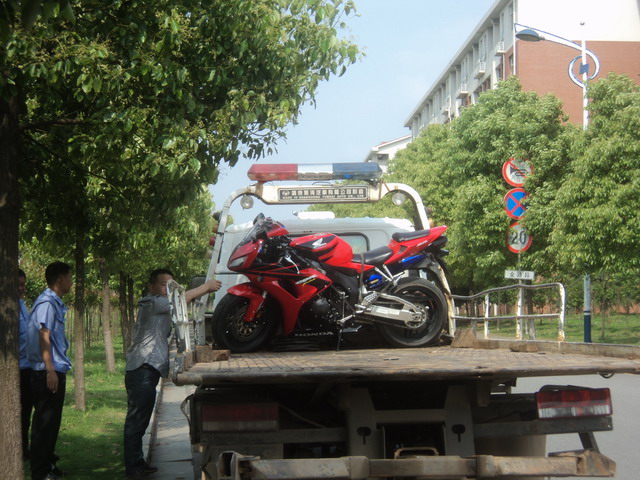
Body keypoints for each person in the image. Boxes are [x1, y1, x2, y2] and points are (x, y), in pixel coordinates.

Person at [123, 269, 221, 477]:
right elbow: (181, 299)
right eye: (163, 285)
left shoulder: (161, 304)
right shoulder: (151, 303)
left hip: (148, 369)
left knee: (141, 420)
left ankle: (137, 462)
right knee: (136, 419)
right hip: (142, 368)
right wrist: (206, 287)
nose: (167, 289)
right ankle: (133, 468)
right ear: (151, 287)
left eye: (170, 285)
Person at [27, 262, 73, 480]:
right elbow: (44, 336)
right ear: (60, 279)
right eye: (69, 277)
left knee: (52, 422)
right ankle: (40, 472)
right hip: (47, 371)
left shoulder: (53, 302)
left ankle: (48, 464)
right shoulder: (47, 303)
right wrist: (50, 370)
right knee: (44, 423)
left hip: (53, 368)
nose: (71, 282)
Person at [18, 268, 34, 460]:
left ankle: (24, 449)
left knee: (26, 412)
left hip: (28, 366)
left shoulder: (22, 305)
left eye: (24, 284)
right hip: (17, 369)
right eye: (19, 285)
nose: (22, 288)